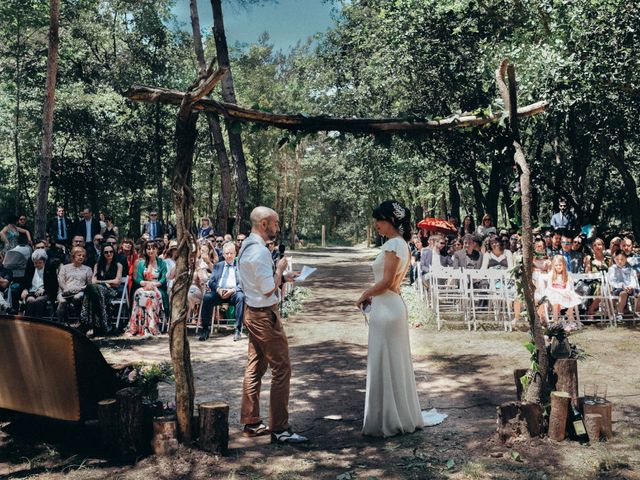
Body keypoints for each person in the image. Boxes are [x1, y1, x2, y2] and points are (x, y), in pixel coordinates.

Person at [356, 200, 423, 438]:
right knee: (391, 360)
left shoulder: (393, 245)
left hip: (387, 310)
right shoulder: (402, 244)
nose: (376, 224)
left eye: (380, 220)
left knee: (385, 360)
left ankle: (388, 418)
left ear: (392, 221)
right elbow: (393, 285)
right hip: (390, 305)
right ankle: (395, 413)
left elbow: (385, 282)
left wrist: (365, 294)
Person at [237, 206, 304, 444]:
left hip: (252, 311)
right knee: (282, 367)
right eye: (275, 223)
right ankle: (280, 429)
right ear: (263, 224)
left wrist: (282, 279)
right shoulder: (260, 253)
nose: (277, 227)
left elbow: (258, 282)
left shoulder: (246, 247)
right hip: (264, 316)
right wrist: (280, 269)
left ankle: (251, 421)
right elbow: (267, 289)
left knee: (255, 366)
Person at [199, 242, 245, 341]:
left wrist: (232, 290)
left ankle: (237, 330)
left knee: (241, 297)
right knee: (207, 297)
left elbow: (244, 283)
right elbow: (211, 281)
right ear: (223, 254)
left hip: (233, 293)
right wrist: (218, 289)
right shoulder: (218, 266)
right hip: (219, 293)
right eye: (227, 253)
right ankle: (205, 330)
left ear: (235, 253)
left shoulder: (240, 266)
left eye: (231, 253)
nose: (229, 255)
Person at [126, 240, 168, 336]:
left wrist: (153, 285)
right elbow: (138, 279)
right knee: (138, 293)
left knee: (151, 295)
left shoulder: (162, 263)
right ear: (145, 250)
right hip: (144, 286)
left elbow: (163, 280)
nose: (151, 251)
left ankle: (152, 326)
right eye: (148, 249)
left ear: (157, 250)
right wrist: (145, 283)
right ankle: (136, 327)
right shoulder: (141, 263)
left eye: (153, 248)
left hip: (157, 287)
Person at [80, 243, 123, 336]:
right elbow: (93, 281)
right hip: (98, 291)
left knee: (90, 290)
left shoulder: (118, 265)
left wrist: (101, 282)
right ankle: (103, 325)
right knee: (93, 290)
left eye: (111, 252)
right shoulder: (97, 265)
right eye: (106, 252)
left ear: (114, 253)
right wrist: (105, 283)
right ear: (102, 254)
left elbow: (117, 282)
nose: (109, 254)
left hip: (112, 291)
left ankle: (89, 326)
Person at [56, 246, 93, 323]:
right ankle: (59, 322)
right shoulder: (64, 268)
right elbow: (61, 280)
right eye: (79, 255)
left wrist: (80, 289)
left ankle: (79, 320)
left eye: (83, 256)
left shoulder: (88, 269)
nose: (81, 257)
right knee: (62, 302)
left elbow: (90, 285)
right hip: (65, 291)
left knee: (77, 297)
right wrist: (65, 289)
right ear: (73, 256)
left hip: (80, 291)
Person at [542, 255, 582, 324]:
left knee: (571, 296)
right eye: (556, 265)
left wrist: (566, 291)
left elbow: (569, 285)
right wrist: (560, 292)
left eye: (560, 265)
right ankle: (555, 321)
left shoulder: (566, 274)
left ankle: (570, 317)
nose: (558, 267)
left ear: (564, 264)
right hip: (553, 292)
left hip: (564, 291)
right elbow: (550, 287)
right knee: (556, 299)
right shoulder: (551, 274)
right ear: (553, 266)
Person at [20, 248, 58, 317]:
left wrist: (45, 289)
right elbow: (25, 280)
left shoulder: (50, 266)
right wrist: (24, 289)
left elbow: (54, 284)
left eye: (40, 263)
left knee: (38, 301)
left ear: (45, 261)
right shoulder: (30, 266)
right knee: (30, 301)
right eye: (35, 263)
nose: (37, 265)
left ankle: (38, 322)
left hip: (45, 292)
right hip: (31, 291)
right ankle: (28, 321)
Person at [608, 250, 640, 322]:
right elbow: (612, 281)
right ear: (614, 259)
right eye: (617, 259)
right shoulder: (612, 269)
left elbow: (633, 279)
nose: (619, 261)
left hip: (629, 288)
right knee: (623, 293)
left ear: (625, 259)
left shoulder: (630, 268)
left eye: (622, 259)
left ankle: (637, 311)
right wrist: (621, 285)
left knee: (639, 294)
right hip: (618, 289)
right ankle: (620, 313)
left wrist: (631, 286)